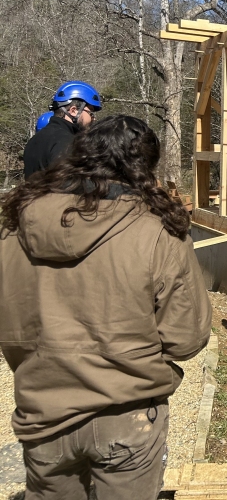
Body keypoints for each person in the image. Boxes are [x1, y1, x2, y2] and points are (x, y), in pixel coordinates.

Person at [0, 115, 212, 500]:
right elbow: (186, 338)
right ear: (144, 166)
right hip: (127, 413)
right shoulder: (158, 230)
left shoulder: (13, 225)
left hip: (42, 410)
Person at [23, 81, 103, 178]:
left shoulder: (34, 140)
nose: (93, 119)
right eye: (91, 113)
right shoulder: (67, 142)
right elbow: (69, 184)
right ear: (73, 110)